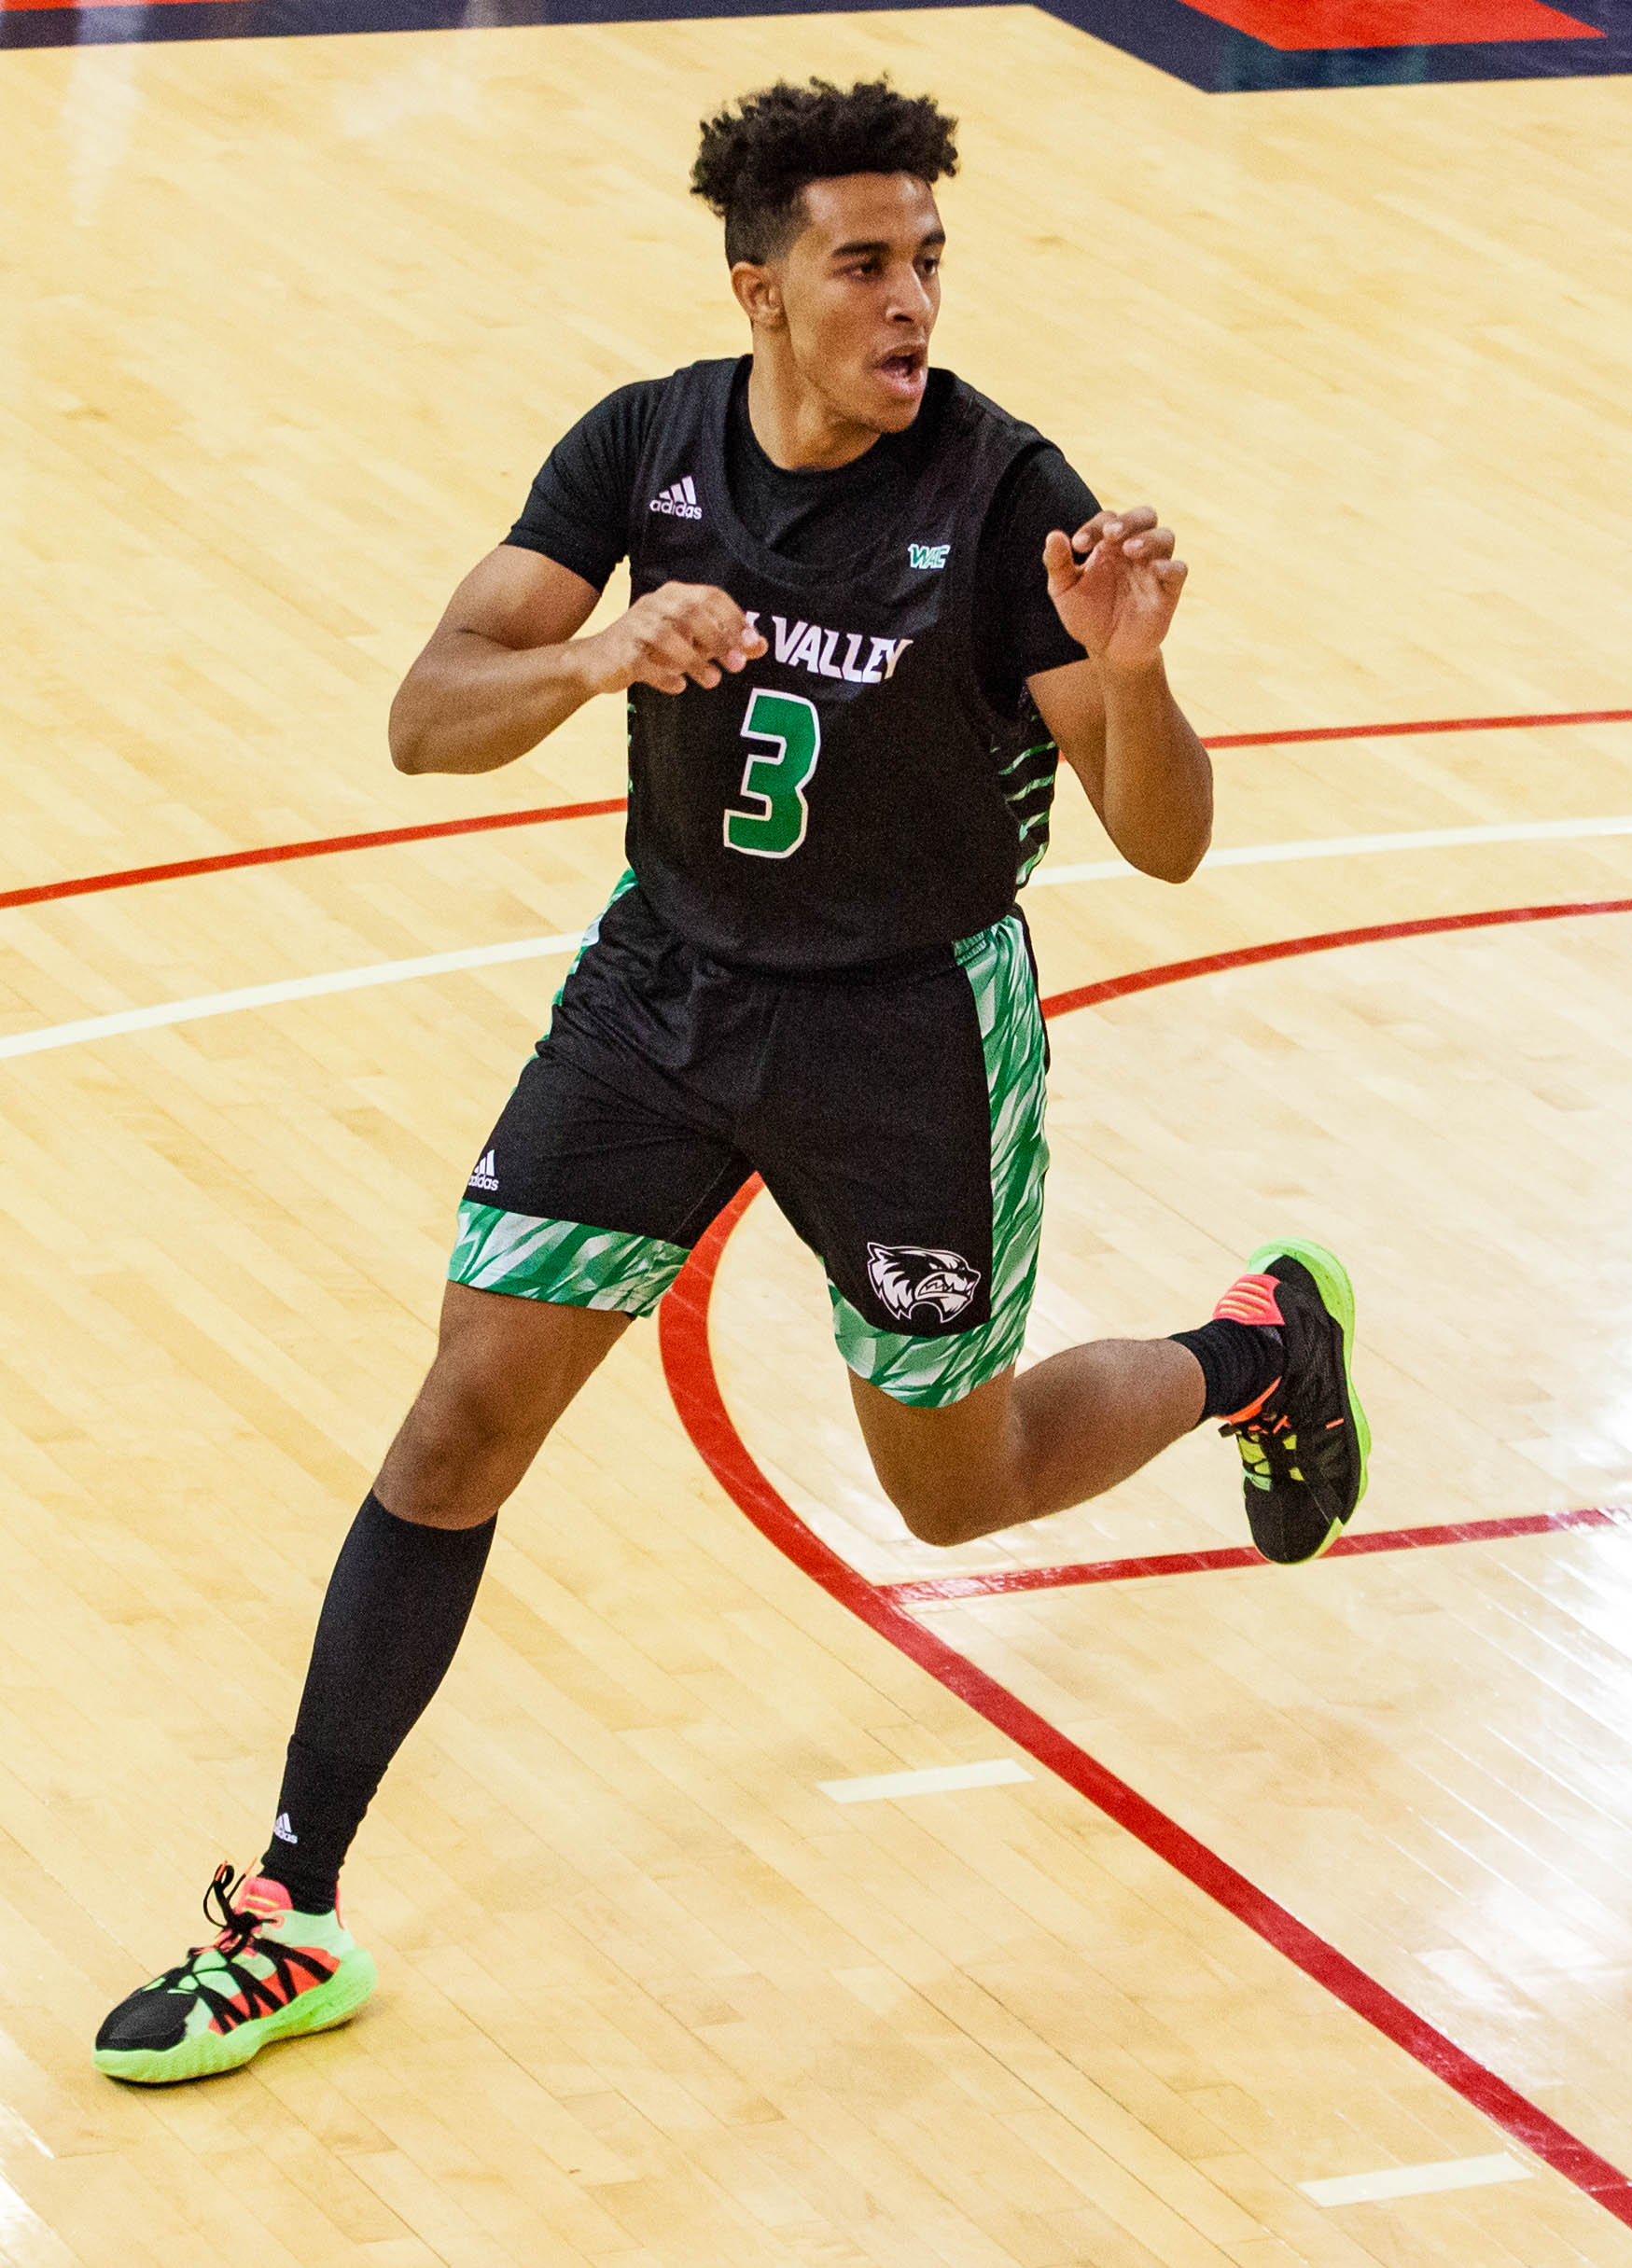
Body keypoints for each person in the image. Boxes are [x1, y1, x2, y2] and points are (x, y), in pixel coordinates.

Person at [93, 78, 1370, 2086]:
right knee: (457, 1424)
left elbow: (1170, 841)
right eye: (864, 263)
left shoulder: (1003, 494)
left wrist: (1128, 674)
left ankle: (1254, 1348)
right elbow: (429, 717)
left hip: (903, 1038)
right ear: (756, 283)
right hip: (664, 993)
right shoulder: (645, 448)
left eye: (929, 259)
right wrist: (597, 657)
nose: (910, 302)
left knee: (962, 1496)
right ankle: (287, 1909)